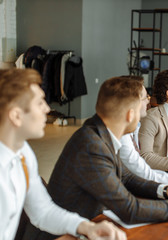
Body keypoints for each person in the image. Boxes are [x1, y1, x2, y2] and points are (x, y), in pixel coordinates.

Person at [36, 76, 168, 239]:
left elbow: (126, 177)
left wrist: (164, 190)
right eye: (143, 105)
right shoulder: (92, 145)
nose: (146, 110)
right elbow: (129, 209)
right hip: (63, 236)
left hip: (89, 226)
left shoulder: (98, 131)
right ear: (130, 115)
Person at [0, 69, 126, 240]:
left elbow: (42, 211)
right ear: (16, 116)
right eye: (39, 103)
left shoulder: (22, 152)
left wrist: (85, 227)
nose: (47, 109)